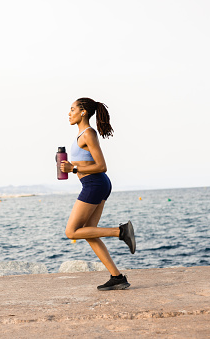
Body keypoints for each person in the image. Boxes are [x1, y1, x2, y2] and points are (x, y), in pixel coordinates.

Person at [60, 97, 136, 291]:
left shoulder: (88, 134)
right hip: (94, 183)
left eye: (72, 109)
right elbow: (87, 163)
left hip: (94, 183)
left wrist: (74, 169)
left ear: (83, 112)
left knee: (72, 232)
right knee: (89, 232)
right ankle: (117, 277)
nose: (69, 113)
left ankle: (120, 231)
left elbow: (101, 166)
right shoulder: (81, 135)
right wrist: (73, 167)